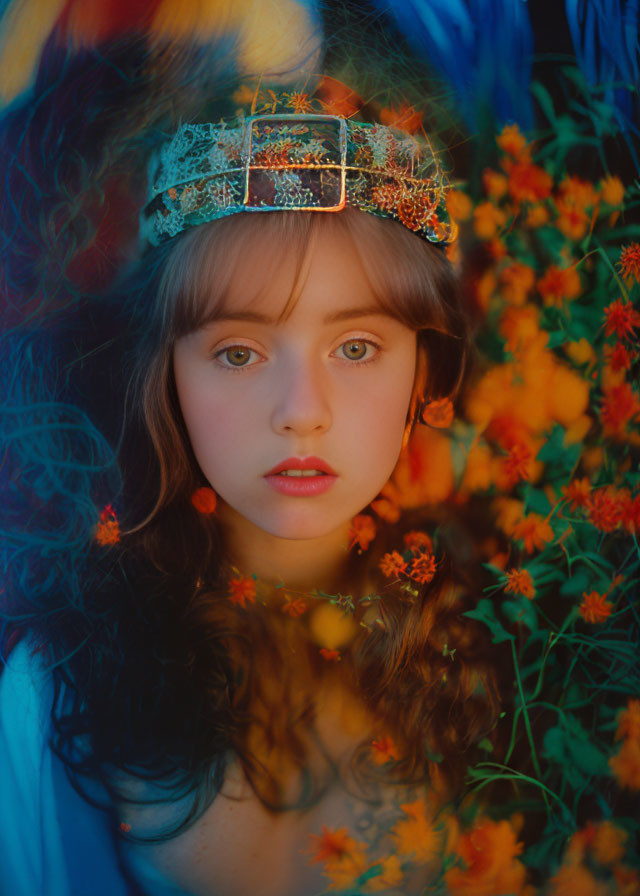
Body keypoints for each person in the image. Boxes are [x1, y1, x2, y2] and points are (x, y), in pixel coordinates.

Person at [0, 71, 503, 895]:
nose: (301, 413)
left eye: (357, 348)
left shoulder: (518, 646)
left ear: (426, 373)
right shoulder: (57, 687)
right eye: (238, 352)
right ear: (166, 375)